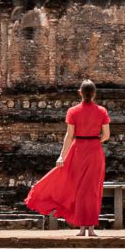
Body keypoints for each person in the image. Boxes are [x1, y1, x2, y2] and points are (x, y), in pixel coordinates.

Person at [24, 79, 110, 230]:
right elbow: (106, 135)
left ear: (80, 93)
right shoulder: (102, 111)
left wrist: (61, 156)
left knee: (78, 189)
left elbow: (69, 136)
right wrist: (95, 141)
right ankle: (90, 229)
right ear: (94, 94)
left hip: (77, 150)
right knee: (93, 190)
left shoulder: (73, 111)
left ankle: (82, 228)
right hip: (95, 151)